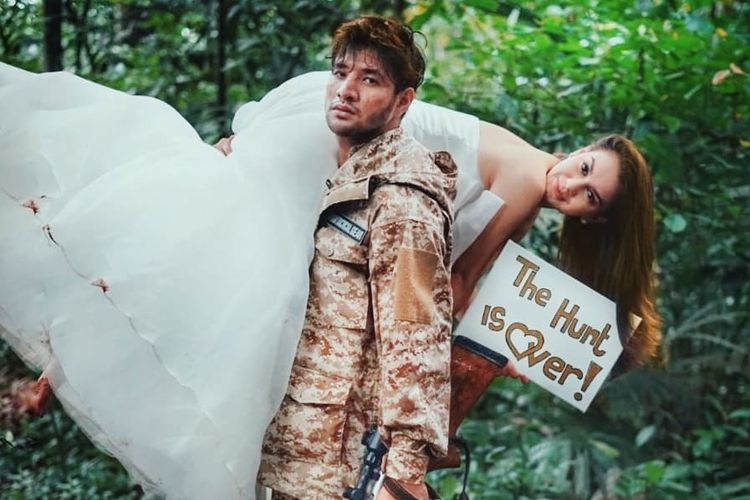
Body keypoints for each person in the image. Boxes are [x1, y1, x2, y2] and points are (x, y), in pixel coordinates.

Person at [0, 18, 661, 500]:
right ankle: (75, 295)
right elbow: (456, 283)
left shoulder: (519, 187)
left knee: (235, 261)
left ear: (594, 217)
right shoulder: (524, 176)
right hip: (345, 138)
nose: (571, 185)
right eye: (583, 167)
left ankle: (75, 328)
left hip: (347, 140)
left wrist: (498, 350)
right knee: (244, 266)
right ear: (578, 150)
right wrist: (481, 351)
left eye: (589, 195)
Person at [257, 16, 454, 500]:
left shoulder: (404, 202)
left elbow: (416, 333)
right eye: (340, 73)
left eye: (370, 80)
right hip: (298, 446)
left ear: (403, 101)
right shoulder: (338, 171)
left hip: (339, 464)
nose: (346, 90)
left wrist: (404, 475)